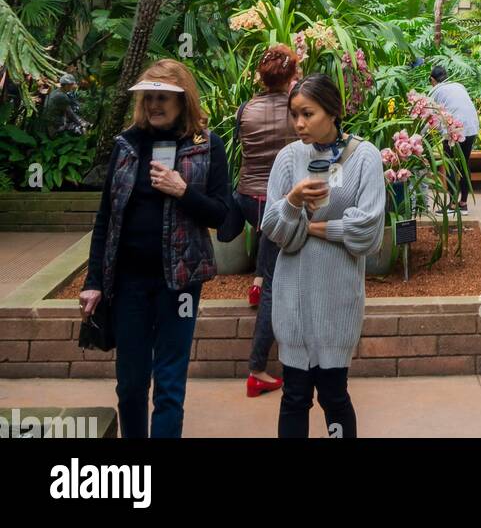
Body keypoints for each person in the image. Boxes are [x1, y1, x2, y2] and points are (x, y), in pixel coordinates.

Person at [79, 59, 229, 439]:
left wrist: (183, 191)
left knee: (169, 384)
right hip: (128, 282)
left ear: (183, 101)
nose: (155, 106)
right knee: (130, 383)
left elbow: (225, 218)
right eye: (149, 98)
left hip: (179, 284)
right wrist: (94, 280)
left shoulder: (206, 146)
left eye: (164, 98)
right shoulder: (127, 144)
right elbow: (105, 219)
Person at [261, 74, 385, 439]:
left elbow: (368, 232)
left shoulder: (364, 157)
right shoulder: (288, 159)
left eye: (308, 113)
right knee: (294, 397)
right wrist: (293, 201)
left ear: (332, 111)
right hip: (292, 302)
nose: (299, 123)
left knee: (334, 395)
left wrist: (314, 228)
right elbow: (274, 229)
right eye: (294, 114)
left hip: (337, 301)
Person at [234, 43, 300, 398]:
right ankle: (257, 369)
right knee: (278, 282)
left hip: (248, 197)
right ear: (291, 75)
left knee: (267, 243)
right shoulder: (298, 110)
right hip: (277, 201)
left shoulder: (245, 108)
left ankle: (257, 283)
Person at [429, 64, 479, 211]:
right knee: (464, 163)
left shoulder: (435, 90)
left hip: (454, 129)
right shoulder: (459, 85)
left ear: (432, 79)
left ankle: (451, 204)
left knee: (450, 164)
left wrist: (418, 135)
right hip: (471, 126)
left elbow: (429, 115)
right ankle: (463, 203)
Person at [43, 73, 86, 138]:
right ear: (66, 85)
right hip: (54, 125)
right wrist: (82, 123)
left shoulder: (55, 91)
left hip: (49, 122)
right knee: (80, 130)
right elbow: (70, 113)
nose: (73, 86)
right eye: (71, 84)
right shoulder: (62, 96)